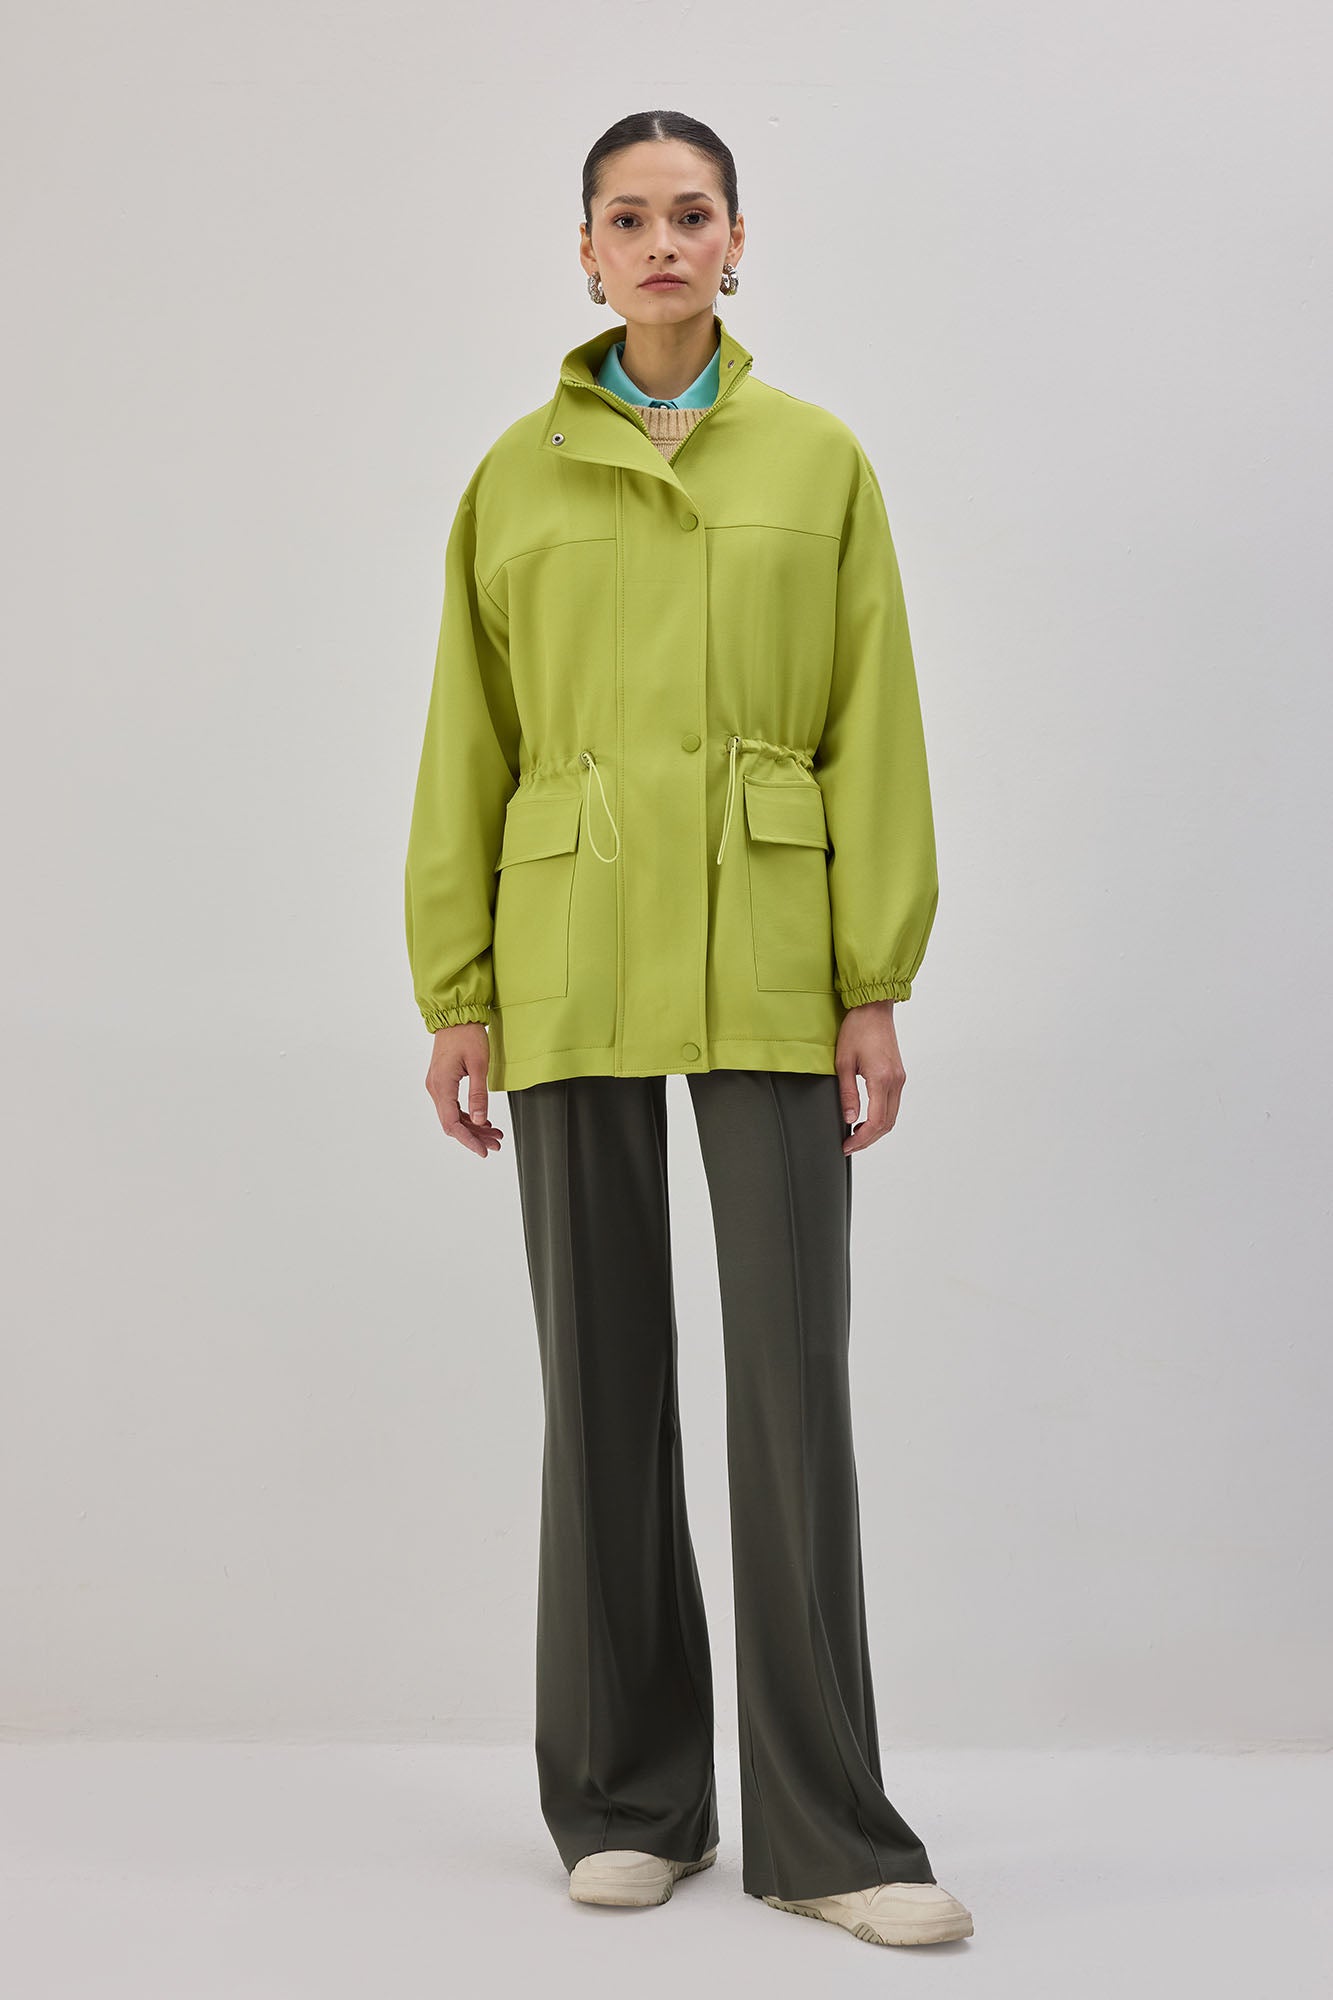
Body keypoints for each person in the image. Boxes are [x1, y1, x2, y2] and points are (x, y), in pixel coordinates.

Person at [403, 108, 973, 1951]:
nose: (661, 242)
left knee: (789, 1383)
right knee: (601, 1384)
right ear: (584, 252)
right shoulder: (511, 480)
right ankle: (628, 1798)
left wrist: (872, 977)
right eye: (628, 217)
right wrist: (458, 992)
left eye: (692, 214)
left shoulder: (817, 460)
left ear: (737, 242)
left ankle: (831, 1834)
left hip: (772, 943)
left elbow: (873, 716)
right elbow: (468, 739)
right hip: (567, 942)